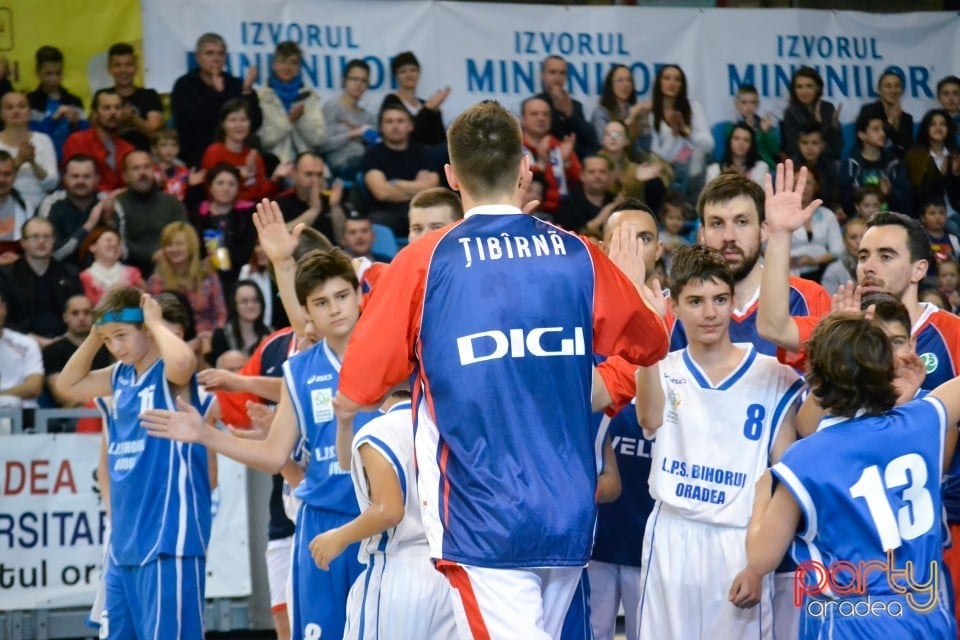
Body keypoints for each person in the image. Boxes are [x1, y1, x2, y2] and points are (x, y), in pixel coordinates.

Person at [330, 100, 669, 639]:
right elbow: (650, 344)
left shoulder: (423, 261)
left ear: (450, 176)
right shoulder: (577, 253)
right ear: (524, 170)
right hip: (568, 513)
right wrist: (629, 289)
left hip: (482, 519)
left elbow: (358, 387)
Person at [141, 243, 381, 640]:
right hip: (321, 521)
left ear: (359, 296)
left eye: (342, 296)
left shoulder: (390, 356)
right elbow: (273, 455)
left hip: (382, 518)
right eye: (321, 302)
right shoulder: (298, 370)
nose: (335, 308)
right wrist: (206, 434)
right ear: (306, 312)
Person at [746, 312, 958, 639]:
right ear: (885, 371)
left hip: (852, 619)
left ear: (815, 382)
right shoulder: (922, 421)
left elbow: (761, 558)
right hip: (927, 612)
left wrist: (763, 493)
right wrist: (897, 396)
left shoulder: (804, 458)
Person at [634, 244, 802, 640]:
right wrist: (648, 332)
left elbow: (786, 483)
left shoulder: (773, 376)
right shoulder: (662, 366)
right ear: (673, 306)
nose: (709, 313)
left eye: (719, 300)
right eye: (695, 301)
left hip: (739, 541)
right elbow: (648, 417)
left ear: (733, 302)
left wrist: (760, 564)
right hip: (672, 535)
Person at [54, 288, 209, 638]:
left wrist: (155, 323)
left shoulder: (168, 371)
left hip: (169, 538)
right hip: (125, 543)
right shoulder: (118, 376)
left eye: (121, 336)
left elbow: (185, 363)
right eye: (109, 341)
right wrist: (96, 336)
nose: (116, 347)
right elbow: (67, 384)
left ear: (146, 330)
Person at [308, 389, 458, 640]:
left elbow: (388, 511)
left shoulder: (378, 431)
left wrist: (339, 537)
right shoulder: (449, 423)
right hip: (451, 570)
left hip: (398, 570)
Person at [671, 171, 831, 356]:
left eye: (742, 222)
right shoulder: (677, 308)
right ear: (702, 234)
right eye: (717, 224)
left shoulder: (810, 298)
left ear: (763, 230)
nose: (729, 237)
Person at [171, 32, 262, 167]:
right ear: (198, 58)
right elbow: (186, 123)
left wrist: (248, 91)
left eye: (220, 54)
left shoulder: (235, 84)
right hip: (197, 154)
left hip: (236, 154)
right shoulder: (184, 85)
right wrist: (214, 94)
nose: (216, 58)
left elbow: (255, 123)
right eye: (209, 53)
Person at [146, 221, 227, 354]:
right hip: (170, 344)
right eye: (169, 245)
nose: (174, 249)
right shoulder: (156, 280)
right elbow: (151, 319)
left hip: (207, 340)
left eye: (179, 244)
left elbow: (220, 313)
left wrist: (212, 334)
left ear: (191, 246)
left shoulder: (208, 276)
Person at [0, 216, 82, 346]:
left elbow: (79, 312)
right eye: (35, 237)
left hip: (66, 344)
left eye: (46, 237)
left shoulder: (69, 273)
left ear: (54, 241)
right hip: (19, 344)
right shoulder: (6, 275)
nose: (41, 241)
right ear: (23, 242)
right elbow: (3, 318)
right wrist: (30, 339)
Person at [360, 103, 439, 237]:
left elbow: (431, 187)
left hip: (421, 211)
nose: (395, 126)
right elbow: (381, 192)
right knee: (376, 220)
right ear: (381, 127)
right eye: (389, 121)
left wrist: (395, 183)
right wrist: (417, 187)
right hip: (388, 213)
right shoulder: (372, 155)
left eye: (400, 121)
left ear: (410, 126)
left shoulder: (423, 152)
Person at [184, 162, 257, 293]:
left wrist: (217, 260)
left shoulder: (249, 212)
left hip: (240, 277)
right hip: (202, 277)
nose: (226, 188)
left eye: (231, 184)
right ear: (210, 188)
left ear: (238, 188)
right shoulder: (197, 213)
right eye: (220, 183)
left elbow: (248, 248)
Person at [112, 151, 189, 277]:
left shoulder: (171, 202)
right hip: (128, 272)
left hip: (170, 267)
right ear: (125, 176)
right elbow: (118, 241)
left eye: (146, 167)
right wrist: (151, 255)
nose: (142, 173)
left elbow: (184, 234)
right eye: (136, 168)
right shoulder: (117, 204)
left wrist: (167, 252)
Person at [644, 64, 713, 201]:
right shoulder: (651, 113)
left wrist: (686, 131)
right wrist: (673, 134)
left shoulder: (693, 107)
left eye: (677, 79)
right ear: (659, 82)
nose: (672, 83)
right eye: (667, 78)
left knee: (697, 161)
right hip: (666, 168)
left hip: (693, 167)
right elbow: (659, 155)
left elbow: (709, 145)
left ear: (682, 85)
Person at [201, 98, 283, 203]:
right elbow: (212, 193)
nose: (239, 125)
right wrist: (240, 177)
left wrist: (274, 179)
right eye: (233, 120)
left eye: (243, 120)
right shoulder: (214, 153)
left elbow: (262, 195)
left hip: (253, 210)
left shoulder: (255, 157)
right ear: (223, 124)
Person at [258, 41, 326, 165]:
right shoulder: (262, 98)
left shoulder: (309, 96)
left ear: (299, 67)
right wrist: (289, 121)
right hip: (275, 165)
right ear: (274, 65)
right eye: (283, 61)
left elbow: (319, 139)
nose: (287, 67)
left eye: (293, 63)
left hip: (307, 164)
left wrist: (301, 120)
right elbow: (264, 140)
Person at [41, 294, 113, 408]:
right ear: (65, 317)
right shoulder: (52, 351)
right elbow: (62, 395)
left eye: (86, 312)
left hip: (107, 407)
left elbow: (119, 385)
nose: (81, 317)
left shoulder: (110, 346)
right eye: (75, 313)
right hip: (73, 414)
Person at [840, 110, 913, 218]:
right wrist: (857, 195)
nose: (882, 134)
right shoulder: (851, 164)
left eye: (883, 129)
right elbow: (844, 203)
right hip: (859, 223)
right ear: (862, 135)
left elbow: (907, 202)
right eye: (876, 130)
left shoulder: (894, 163)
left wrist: (890, 193)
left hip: (889, 222)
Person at [62, 89, 134, 193]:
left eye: (117, 108)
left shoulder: (128, 149)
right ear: (95, 113)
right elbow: (75, 181)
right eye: (106, 108)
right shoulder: (77, 141)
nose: (113, 112)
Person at [317, 59, 378, 181]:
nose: (359, 84)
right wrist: (352, 134)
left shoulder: (368, 116)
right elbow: (323, 145)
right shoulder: (332, 107)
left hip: (364, 163)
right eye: (354, 79)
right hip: (341, 165)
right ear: (344, 81)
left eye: (363, 81)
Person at [521, 96, 581, 215]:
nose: (541, 118)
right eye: (534, 114)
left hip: (560, 215)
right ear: (522, 119)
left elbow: (579, 183)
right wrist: (540, 166)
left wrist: (567, 162)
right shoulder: (512, 148)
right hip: (523, 213)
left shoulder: (560, 147)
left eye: (545, 114)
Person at [0, 91, 58, 212]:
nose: (16, 111)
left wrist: (33, 163)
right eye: (9, 107)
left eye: (21, 106)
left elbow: (52, 184)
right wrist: (18, 161)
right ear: (1, 113)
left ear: (30, 112)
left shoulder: (43, 140)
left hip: (40, 208)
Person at [27, 45, 86, 160]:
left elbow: (86, 134)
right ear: (38, 73)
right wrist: (53, 120)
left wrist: (75, 124)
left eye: (58, 73)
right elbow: (30, 136)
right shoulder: (30, 102)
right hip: (40, 162)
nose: (54, 78)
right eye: (49, 74)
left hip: (70, 162)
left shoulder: (74, 101)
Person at [42, 154, 103, 264]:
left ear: (97, 179)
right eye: (75, 176)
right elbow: (52, 255)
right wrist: (88, 225)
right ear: (65, 179)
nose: (80, 181)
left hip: (102, 274)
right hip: (60, 273)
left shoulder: (106, 203)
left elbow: (122, 251)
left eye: (86, 176)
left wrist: (110, 222)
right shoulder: (51, 204)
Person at [379, 51, 449, 147]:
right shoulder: (391, 101)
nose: (409, 75)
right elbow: (403, 136)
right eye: (403, 71)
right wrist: (427, 109)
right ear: (396, 76)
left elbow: (439, 140)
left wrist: (435, 112)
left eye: (413, 70)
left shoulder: (425, 103)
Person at [273, 151, 343, 242]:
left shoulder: (330, 200)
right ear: (294, 174)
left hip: (328, 254)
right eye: (309, 174)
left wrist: (335, 207)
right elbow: (278, 239)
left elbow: (343, 240)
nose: (315, 181)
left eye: (319, 175)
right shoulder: (279, 204)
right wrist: (313, 211)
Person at [787, 168, 843, 282]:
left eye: (808, 183)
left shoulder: (827, 215)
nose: (803, 187)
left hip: (822, 271)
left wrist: (814, 261)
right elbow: (766, 249)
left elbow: (838, 249)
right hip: (788, 272)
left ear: (816, 186)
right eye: (797, 183)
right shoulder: (781, 215)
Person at [536, 55, 597, 159]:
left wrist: (570, 114)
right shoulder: (535, 104)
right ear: (543, 76)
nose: (558, 77)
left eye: (562, 73)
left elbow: (591, 140)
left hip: (573, 160)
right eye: (553, 72)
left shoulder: (575, 106)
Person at [106, 43, 163, 152]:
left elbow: (156, 135)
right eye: (117, 65)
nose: (124, 70)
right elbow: (96, 133)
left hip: (145, 160)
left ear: (136, 67)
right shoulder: (103, 96)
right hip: (111, 160)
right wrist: (119, 119)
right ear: (109, 69)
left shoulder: (150, 95)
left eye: (129, 64)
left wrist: (133, 118)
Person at [781, 67, 843, 160]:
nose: (804, 91)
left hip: (827, 162)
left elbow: (836, 148)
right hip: (801, 163)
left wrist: (834, 126)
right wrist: (817, 125)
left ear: (817, 88)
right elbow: (792, 148)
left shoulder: (828, 108)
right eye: (799, 87)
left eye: (809, 86)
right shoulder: (790, 113)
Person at [590, 64, 649, 160]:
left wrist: (644, 120)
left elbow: (643, 148)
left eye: (629, 80)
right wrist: (630, 119)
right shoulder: (601, 112)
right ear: (610, 85)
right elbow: (605, 143)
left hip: (630, 163)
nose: (625, 84)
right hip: (607, 162)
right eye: (620, 80)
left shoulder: (633, 109)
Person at [208, 279, 272, 366]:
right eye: (244, 301)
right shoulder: (221, 336)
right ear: (235, 305)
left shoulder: (272, 335)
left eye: (255, 300)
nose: (251, 305)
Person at [0, 289, 44, 409]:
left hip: (23, 412)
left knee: (11, 402)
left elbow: (34, 387)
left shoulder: (27, 344)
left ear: (3, 308)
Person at [79, 228, 145, 306]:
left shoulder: (133, 273)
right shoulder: (84, 277)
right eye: (108, 240)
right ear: (93, 247)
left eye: (117, 242)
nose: (114, 244)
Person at [857, 69, 914, 157]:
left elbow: (906, 147)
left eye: (897, 86)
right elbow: (865, 141)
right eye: (888, 86)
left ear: (902, 91)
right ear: (880, 90)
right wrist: (890, 123)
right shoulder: (869, 111)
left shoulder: (906, 118)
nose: (893, 90)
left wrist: (897, 123)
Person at [905, 109, 958, 202]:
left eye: (943, 124)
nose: (938, 128)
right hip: (925, 211)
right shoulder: (915, 155)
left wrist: (956, 175)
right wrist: (939, 175)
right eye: (933, 124)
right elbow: (916, 193)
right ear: (926, 128)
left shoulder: (955, 156)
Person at [556, 155, 617, 234]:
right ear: (582, 176)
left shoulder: (616, 201)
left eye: (602, 172)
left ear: (609, 176)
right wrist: (599, 220)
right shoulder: (568, 204)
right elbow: (567, 239)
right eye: (591, 172)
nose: (597, 176)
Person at [728, 84, 779, 169]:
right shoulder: (731, 128)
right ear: (736, 105)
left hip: (765, 168)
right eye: (744, 102)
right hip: (741, 168)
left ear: (758, 104)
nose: (749, 106)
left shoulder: (765, 126)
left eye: (753, 102)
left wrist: (766, 133)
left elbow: (774, 151)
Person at [705, 123, 769, 187]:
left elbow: (760, 195)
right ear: (730, 142)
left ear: (751, 145)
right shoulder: (713, 170)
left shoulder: (760, 167)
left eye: (746, 140)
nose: (741, 143)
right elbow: (709, 196)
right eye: (736, 138)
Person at [821, 216, 866, 295]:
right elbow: (828, 304)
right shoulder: (833, 271)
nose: (859, 242)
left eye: (864, 236)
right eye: (853, 237)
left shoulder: (880, 266)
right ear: (844, 241)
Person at [0, 150, 30, 258]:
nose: (1, 179)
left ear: (15, 176)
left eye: (7, 174)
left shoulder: (26, 207)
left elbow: (32, 247)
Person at [151, 128, 191, 200]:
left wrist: (191, 183)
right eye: (164, 145)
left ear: (178, 148)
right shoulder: (150, 171)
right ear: (154, 149)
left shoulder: (183, 171)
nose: (169, 149)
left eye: (173, 145)